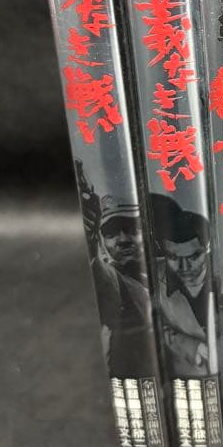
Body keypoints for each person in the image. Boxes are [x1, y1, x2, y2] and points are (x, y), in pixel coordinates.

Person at [75, 160, 153, 378]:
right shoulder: (115, 281)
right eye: (110, 233)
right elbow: (105, 279)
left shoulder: (174, 271)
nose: (122, 240)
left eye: (132, 228)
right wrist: (91, 238)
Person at [150, 193, 213, 378]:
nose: (185, 268)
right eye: (174, 257)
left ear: (207, 249)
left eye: (194, 257)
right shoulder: (152, 276)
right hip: (185, 377)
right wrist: (191, 346)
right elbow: (150, 325)